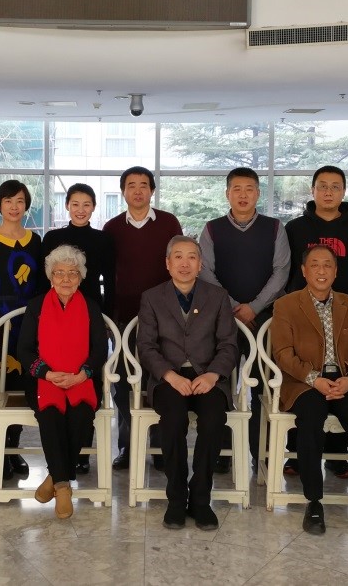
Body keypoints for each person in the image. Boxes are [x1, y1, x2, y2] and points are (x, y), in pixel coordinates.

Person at [270, 245, 348, 538]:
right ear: (304, 271)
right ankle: (314, 502)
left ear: (335, 271)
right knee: (310, 422)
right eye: (314, 265)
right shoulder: (286, 305)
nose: (321, 271)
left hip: (347, 381)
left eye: (327, 265)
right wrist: (314, 379)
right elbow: (282, 353)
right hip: (304, 382)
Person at [137, 236, 237, 531]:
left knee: (213, 418)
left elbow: (229, 344)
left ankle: (201, 497)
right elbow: (146, 346)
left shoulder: (218, 296)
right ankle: (177, 496)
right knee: (173, 419)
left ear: (200, 264)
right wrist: (170, 375)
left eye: (191, 257)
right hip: (168, 378)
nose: (184, 263)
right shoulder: (152, 297)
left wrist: (213, 374)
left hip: (208, 377)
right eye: (178, 257)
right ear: (167, 264)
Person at [283, 165, 348, 479]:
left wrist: (342, 306)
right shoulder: (295, 228)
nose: (328, 192)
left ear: (343, 192)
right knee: (304, 385)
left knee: (341, 379)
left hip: (342, 316)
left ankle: (336, 457)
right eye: (322, 186)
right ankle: (296, 456)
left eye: (335, 186)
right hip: (302, 314)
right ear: (313, 190)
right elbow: (288, 270)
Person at [199, 167, 289, 469]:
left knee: (264, 384)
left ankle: (261, 452)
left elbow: (281, 271)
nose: (243, 195)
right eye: (236, 189)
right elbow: (205, 272)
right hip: (222, 319)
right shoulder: (212, 229)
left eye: (249, 189)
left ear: (258, 194)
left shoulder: (274, 228)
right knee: (221, 381)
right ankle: (222, 452)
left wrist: (255, 306)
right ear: (227, 193)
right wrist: (236, 307)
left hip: (265, 319)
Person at [18, 245, 108, 519]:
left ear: (81, 277)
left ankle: (55, 480)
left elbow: (100, 350)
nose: (66, 279)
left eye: (72, 273)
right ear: (50, 276)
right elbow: (24, 350)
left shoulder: (91, 306)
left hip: (82, 378)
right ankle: (63, 486)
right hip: (44, 379)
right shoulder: (36, 306)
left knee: (81, 416)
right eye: (59, 273)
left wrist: (82, 374)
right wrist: (47, 373)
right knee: (51, 417)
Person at [103, 167, 183, 470]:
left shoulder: (168, 223)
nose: (138, 191)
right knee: (123, 383)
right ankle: (129, 446)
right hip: (124, 317)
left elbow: (177, 266)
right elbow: (108, 275)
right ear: (123, 191)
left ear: (152, 190)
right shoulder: (112, 228)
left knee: (160, 379)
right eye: (131, 185)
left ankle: (161, 447)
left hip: (166, 318)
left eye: (144, 185)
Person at [41, 183, 116, 474]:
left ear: (94, 207)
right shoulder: (53, 237)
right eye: (75, 204)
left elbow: (110, 281)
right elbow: (45, 278)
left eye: (86, 204)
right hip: (57, 307)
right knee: (60, 372)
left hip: (90, 309)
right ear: (67, 206)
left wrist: (107, 319)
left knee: (86, 376)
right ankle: (63, 451)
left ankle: (81, 451)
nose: (81, 210)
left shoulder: (103, 239)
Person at [0, 179, 45, 480]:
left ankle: (14, 451)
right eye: (8, 201)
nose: (14, 207)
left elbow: (41, 286)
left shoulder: (36, 242)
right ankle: (1, 452)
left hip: (30, 323)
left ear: (26, 205)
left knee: (25, 385)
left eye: (19, 201)